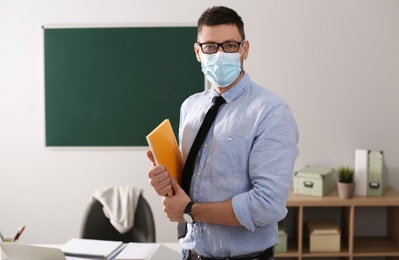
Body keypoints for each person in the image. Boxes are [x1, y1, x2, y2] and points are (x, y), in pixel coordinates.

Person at [147, 6, 299, 260]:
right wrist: (167, 181)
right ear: (198, 52)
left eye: (229, 45)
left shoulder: (271, 112)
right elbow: (195, 179)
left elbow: (267, 205)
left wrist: (189, 210)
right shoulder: (190, 106)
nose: (219, 54)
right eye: (210, 47)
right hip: (191, 252)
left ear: (244, 49)